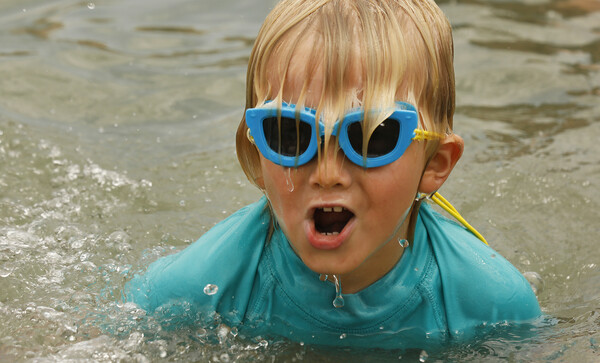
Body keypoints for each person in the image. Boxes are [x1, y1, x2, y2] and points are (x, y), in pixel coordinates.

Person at [125, 0, 541, 349]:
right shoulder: (193, 290)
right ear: (255, 157)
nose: (327, 173)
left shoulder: (492, 305)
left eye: (371, 137)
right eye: (289, 134)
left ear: (435, 164)